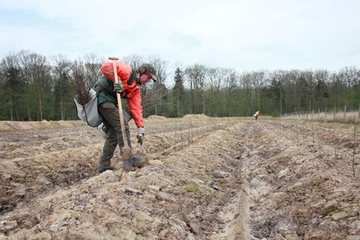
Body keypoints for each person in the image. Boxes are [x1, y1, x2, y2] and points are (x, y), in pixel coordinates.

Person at [93, 61, 157, 174]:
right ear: (143, 72)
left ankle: (103, 164)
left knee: (113, 133)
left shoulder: (136, 88)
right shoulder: (127, 71)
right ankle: (128, 159)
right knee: (123, 126)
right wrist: (117, 80)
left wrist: (140, 128)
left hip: (110, 102)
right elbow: (105, 67)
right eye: (149, 77)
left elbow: (136, 108)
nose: (149, 80)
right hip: (103, 98)